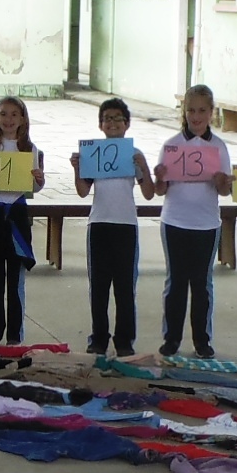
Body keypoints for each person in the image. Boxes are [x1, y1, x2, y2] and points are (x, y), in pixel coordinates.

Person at [149, 83, 232, 359]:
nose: (196, 116)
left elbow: (225, 190)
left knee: (201, 284)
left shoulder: (219, 147)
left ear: (211, 112)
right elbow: (161, 190)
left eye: (202, 111)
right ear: (184, 111)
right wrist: (159, 177)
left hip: (207, 224)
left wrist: (222, 182)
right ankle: (171, 338)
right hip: (174, 221)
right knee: (176, 282)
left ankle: (202, 340)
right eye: (191, 110)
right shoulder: (171, 146)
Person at [0, 94, 45, 343]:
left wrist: (39, 180)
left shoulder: (29, 150)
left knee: (15, 282)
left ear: (23, 118)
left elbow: (34, 185)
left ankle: (15, 336)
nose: (9, 119)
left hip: (17, 216)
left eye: (14, 114)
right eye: (3, 114)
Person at [75, 96, 140, 357]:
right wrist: (78, 168)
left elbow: (147, 192)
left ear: (127, 124)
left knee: (125, 287)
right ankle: (98, 337)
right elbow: (82, 191)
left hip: (126, 224)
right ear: (100, 125)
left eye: (117, 118)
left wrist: (143, 167)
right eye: (107, 119)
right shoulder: (94, 153)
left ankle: (124, 340)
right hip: (99, 223)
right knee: (99, 287)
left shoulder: (134, 154)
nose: (112, 123)